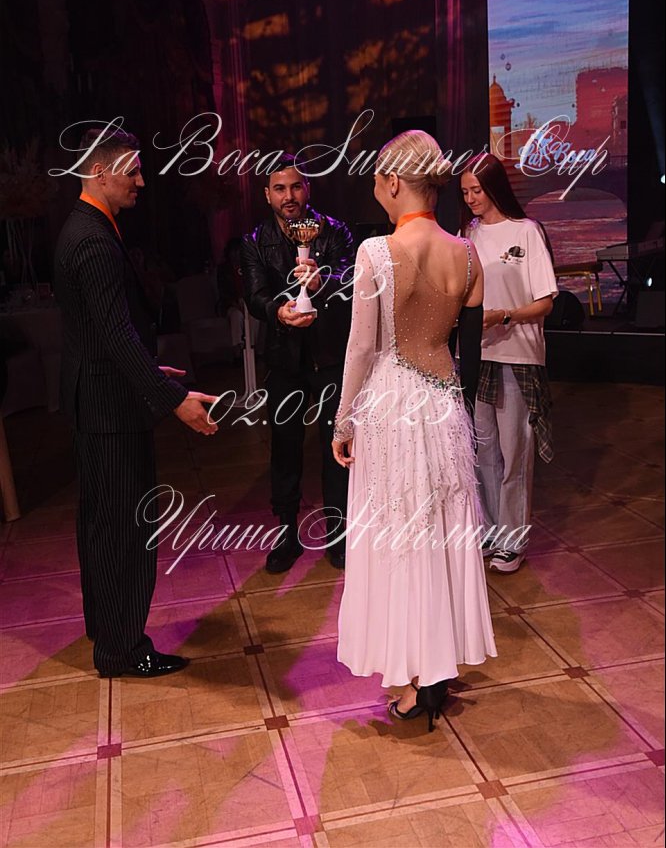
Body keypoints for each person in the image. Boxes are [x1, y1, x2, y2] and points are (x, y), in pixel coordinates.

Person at [333, 130, 496, 731]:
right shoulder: (468, 254)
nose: (375, 189)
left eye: (377, 179)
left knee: (398, 540)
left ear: (395, 182)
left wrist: (342, 420)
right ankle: (436, 672)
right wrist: (457, 412)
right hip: (443, 404)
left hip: (390, 407)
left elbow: (360, 348)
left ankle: (410, 680)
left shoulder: (376, 252)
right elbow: (470, 352)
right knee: (442, 534)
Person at [54, 127, 218, 678]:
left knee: (105, 527)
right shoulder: (93, 239)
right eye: (133, 170)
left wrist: (150, 371)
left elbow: (101, 336)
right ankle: (123, 649)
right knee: (125, 532)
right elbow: (116, 334)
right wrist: (172, 398)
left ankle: (108, 632)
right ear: (100, 172)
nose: (142, 181)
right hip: (110, 411)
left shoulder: (84, 227)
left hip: (101, 399)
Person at [241, 154, 355, 573]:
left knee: (336, 445)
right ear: (266, 194)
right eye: (279, 188)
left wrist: (322, 281)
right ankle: (287, 534)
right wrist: (279, 311)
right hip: (284, 356)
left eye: (295, 186)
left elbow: (352, 280)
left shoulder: (336, 231)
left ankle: (337, 536)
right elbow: (255, 296)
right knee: (285, 446)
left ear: (308, 188)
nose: (288, 196)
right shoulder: (255, 241)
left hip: (329, 354)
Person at [461, 153, 558, 574]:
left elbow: (545, 302)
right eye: (465, 192)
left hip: (518, 355)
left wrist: (503, 316)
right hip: (477, 356)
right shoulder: (466, 235)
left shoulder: (527, 231)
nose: (470, 199)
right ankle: (491, 532)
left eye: (477, 190)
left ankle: (513, 541)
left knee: (514, 453)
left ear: (495, 188)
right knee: (483, 451)